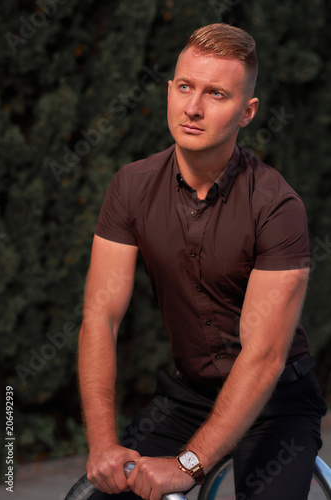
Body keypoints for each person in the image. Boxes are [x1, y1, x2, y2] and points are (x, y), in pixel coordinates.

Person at [78, 23, 327, 500]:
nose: (193, 108)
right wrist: (102, 445)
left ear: (247, 111)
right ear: (170, 90)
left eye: (216, 93)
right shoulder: (130, 187)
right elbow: (100, 316)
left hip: (276, 400)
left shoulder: (277, 206)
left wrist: (188, 466)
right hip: (189, 395)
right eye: (186, 87)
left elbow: (265, 357)